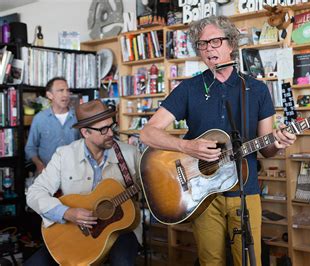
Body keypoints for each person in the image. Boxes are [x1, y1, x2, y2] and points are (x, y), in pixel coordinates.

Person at [140, 16, 296, 266]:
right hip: (202, 194)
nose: (209, 48)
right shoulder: (188, 89)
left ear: (231, 44)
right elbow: (147, 133)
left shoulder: (256, 89)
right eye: (202, 44)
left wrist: (277, 143)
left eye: (215, 41)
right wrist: (187, 146)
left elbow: (266, 150)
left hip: (246, 192)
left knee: (248, 262)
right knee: (210, 262)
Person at [25, 100, 141, 266]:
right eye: (103, 129)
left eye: (111, 126)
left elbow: (150, 190)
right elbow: (35, 193)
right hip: (74, 233)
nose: (110, 133)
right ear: (85, 132)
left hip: (120, 231)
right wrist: (66, 212)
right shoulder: (64, 155)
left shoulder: (130, 154)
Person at [25, 77, 80, 174]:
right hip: (47, 174)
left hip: (74, 173)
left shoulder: (78, 117)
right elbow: (30, 148)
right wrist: (39, 164)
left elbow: (85, 145)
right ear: (49, 95)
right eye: (60, 91)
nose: (65, 94)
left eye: (67, 90)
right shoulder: (40, 119)